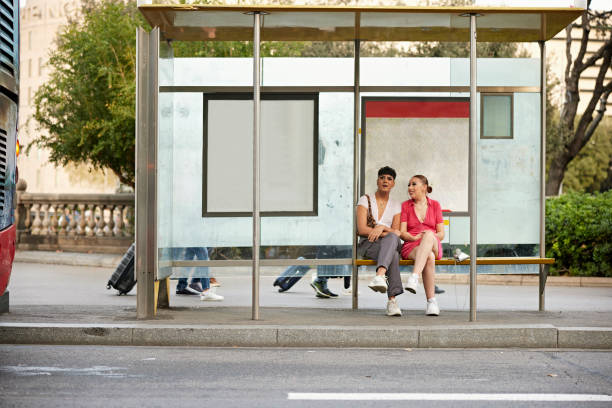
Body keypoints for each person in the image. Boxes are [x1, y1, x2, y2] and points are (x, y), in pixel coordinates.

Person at [356, 166, 404, 316]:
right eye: (382, 177)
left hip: (387, 244)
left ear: (393, 184)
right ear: (377, 181)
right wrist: (381, 231)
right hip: (368, 244)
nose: (385, 180)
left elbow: (396, 233)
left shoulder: (396, 205)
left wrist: (381, 228)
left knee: (392, 245)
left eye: (389, 179)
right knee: (393, 255)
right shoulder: (365, 199)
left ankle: (379, 276)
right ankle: (392, 301)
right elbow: (362, 229)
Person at [399, 175, 444, 316]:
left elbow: (441, 234)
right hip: (412, 245)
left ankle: (414, 276)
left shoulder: (435, 205)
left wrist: (429, 237)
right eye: (409, 185)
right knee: (429, 256)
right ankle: (432, 302)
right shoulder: (405, 206)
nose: (410, 188)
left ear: (424, 187)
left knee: (430, 235)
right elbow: (402, 232)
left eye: (414, 184)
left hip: (433, 244)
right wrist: (414, 237)